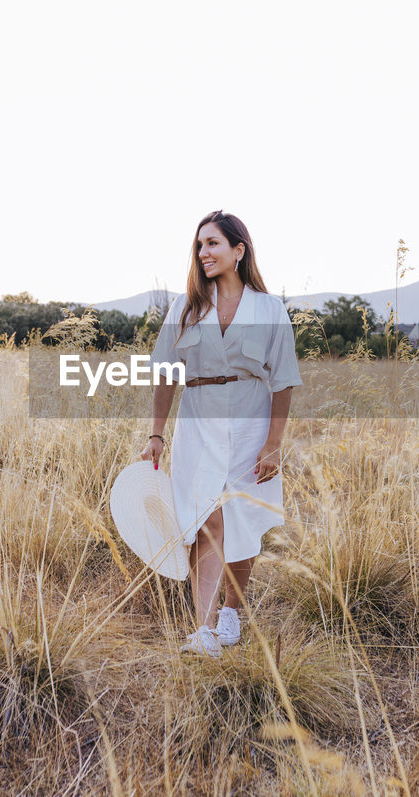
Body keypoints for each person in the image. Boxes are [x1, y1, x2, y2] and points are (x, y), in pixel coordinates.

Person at [142, 210, 302, 657]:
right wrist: (155, 434)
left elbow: (284, 380)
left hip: (251, 425)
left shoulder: (269, 310)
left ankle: (231, 612)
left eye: (213, 243)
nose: (203, 252)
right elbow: (165, 373)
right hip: (198, 425)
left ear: (238, 250)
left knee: (242, 521)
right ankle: (205, 630)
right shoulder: (187, 306)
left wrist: (274, 444)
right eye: (199, 245)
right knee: (205, 520)